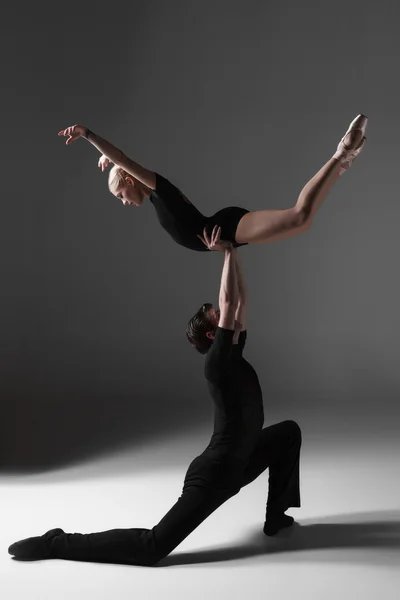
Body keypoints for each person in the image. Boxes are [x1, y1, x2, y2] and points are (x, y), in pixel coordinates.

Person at [8, 228, 302, 566]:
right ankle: (56, 544)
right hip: (216, 473)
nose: (227, 317)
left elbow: (239, 301)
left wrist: (233, 251)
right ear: (212, 334)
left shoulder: (234, 352)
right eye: (217, 318)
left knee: (288, 433)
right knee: (152, 547)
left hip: (243, 458)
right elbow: (230, 302)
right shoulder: (219, 363)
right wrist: (226, 254)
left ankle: (276, 517)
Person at [57, 115, 367, 252]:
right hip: (225, 232)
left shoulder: (157, 189)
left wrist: (89, 136)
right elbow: (120, 162)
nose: (123, 201)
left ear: (129, 179)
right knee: (303, 224)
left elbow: (123, 158)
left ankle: (341, 153)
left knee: (299, 215)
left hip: (227, 226)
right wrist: (107, 161)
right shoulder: (153, 196)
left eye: (119, 194)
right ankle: (342, 165)